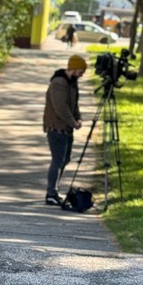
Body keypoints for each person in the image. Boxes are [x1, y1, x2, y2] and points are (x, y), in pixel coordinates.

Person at [43, 54, 86, 205]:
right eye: (81, 70)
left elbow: (74, 105)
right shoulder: (59, 83)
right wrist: (73, 122)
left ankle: (55, 189)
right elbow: (60, 107)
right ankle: (51, 192)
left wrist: (78, 117)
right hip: (56, 127)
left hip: (67, 128)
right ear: (73, 68)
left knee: (65, 159)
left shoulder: (72, 83)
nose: (82, 74)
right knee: (57, 160)